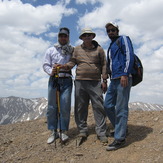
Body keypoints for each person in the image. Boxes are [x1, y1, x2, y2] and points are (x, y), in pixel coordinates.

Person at [61, 28, 108, 143]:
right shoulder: (76, 49)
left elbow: (104, 65)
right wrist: (66, 66)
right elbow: (73, 61)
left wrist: (105, 80)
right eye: (84, 35)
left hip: (95, 81)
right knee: (80, 107)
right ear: (81, 37)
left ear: (92, 36)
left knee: (99, 107)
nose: (87, 36)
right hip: (80, 81)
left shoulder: (100, 49)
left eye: (89, 35)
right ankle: (82, 130)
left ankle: (101, 132)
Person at [104, 22, 134, 151]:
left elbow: (129, 56)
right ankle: (121, 128)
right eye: (108, 31)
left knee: (121, 108)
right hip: (114, 80)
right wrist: (105, 79)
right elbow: (109, 64)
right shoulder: (111, 46)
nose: (110, 32)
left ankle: (120, 138)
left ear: (117, 30)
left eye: (113, 30)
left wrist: (125, 74)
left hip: (123, 78)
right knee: (108, 105)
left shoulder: (124, 39)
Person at [43, 27, 74, 144]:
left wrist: (67, 66)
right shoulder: (51, 50)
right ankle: (53, 131)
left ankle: (63, 130)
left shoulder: (72, 50)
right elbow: (45, 65)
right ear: (58, 37)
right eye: (61, 36)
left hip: (67, 80)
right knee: (52, 106)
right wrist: (52, 70)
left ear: (68, 37)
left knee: (65, 106)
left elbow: (75, 62)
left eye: (65, 36)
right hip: (54, 79)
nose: (63, 38)